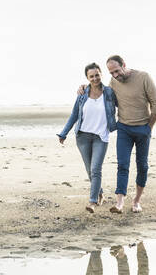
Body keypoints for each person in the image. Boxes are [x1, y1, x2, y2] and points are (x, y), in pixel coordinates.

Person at [79, 55, 156, 214]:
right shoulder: (113, 83)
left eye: (117, 71)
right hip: (124, 128)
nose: (115, 76)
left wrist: (149, 127)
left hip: (143, 129)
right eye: (111, 73)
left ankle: (136, 201)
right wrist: (84, 87)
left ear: (124, 65)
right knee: (122, 165)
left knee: (142, 166)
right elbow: (99, 93)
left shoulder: (143, 77)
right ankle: (119, 203)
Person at [58, 63, 117, 213]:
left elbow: (123, 105)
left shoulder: (109, 92)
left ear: (101, 74)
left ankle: (92, 202)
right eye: (91, 76)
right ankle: (100, 194)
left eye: (97, 75)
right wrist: (64, 133)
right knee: (90, 170)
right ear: (87, 78)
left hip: (101, 137)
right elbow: (74, 115)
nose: (95, 78)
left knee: (96, 169)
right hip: (83, 137)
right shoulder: (82, 94)